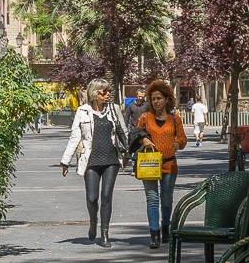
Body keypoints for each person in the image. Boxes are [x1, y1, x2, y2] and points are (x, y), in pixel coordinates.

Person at [61, 78, 130, 248]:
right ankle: (93, 221)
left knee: (106, 196)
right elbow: (75, 137)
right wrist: (65, 161)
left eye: (108, 91)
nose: (107, 94)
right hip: (90, 160)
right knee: (92, 198)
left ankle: (104, 233)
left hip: (111, 159)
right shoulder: (82, 111)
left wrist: (128, 153)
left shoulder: (114, 109)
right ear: (94, 93)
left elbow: (123, 131)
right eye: (103, 91)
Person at [136, 80, 188, 249]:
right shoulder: (145, 118)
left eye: (159, 98)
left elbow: (183, 137)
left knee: (166, 199)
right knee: (152, 199)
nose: (156, 101)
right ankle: (154, 234)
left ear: (167, 99)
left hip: (169, 164)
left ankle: (166, 227)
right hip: (149, 164)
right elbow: (136, 135)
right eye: (153, 99)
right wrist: (143, 139)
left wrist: (178, 144)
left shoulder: (174, 118)